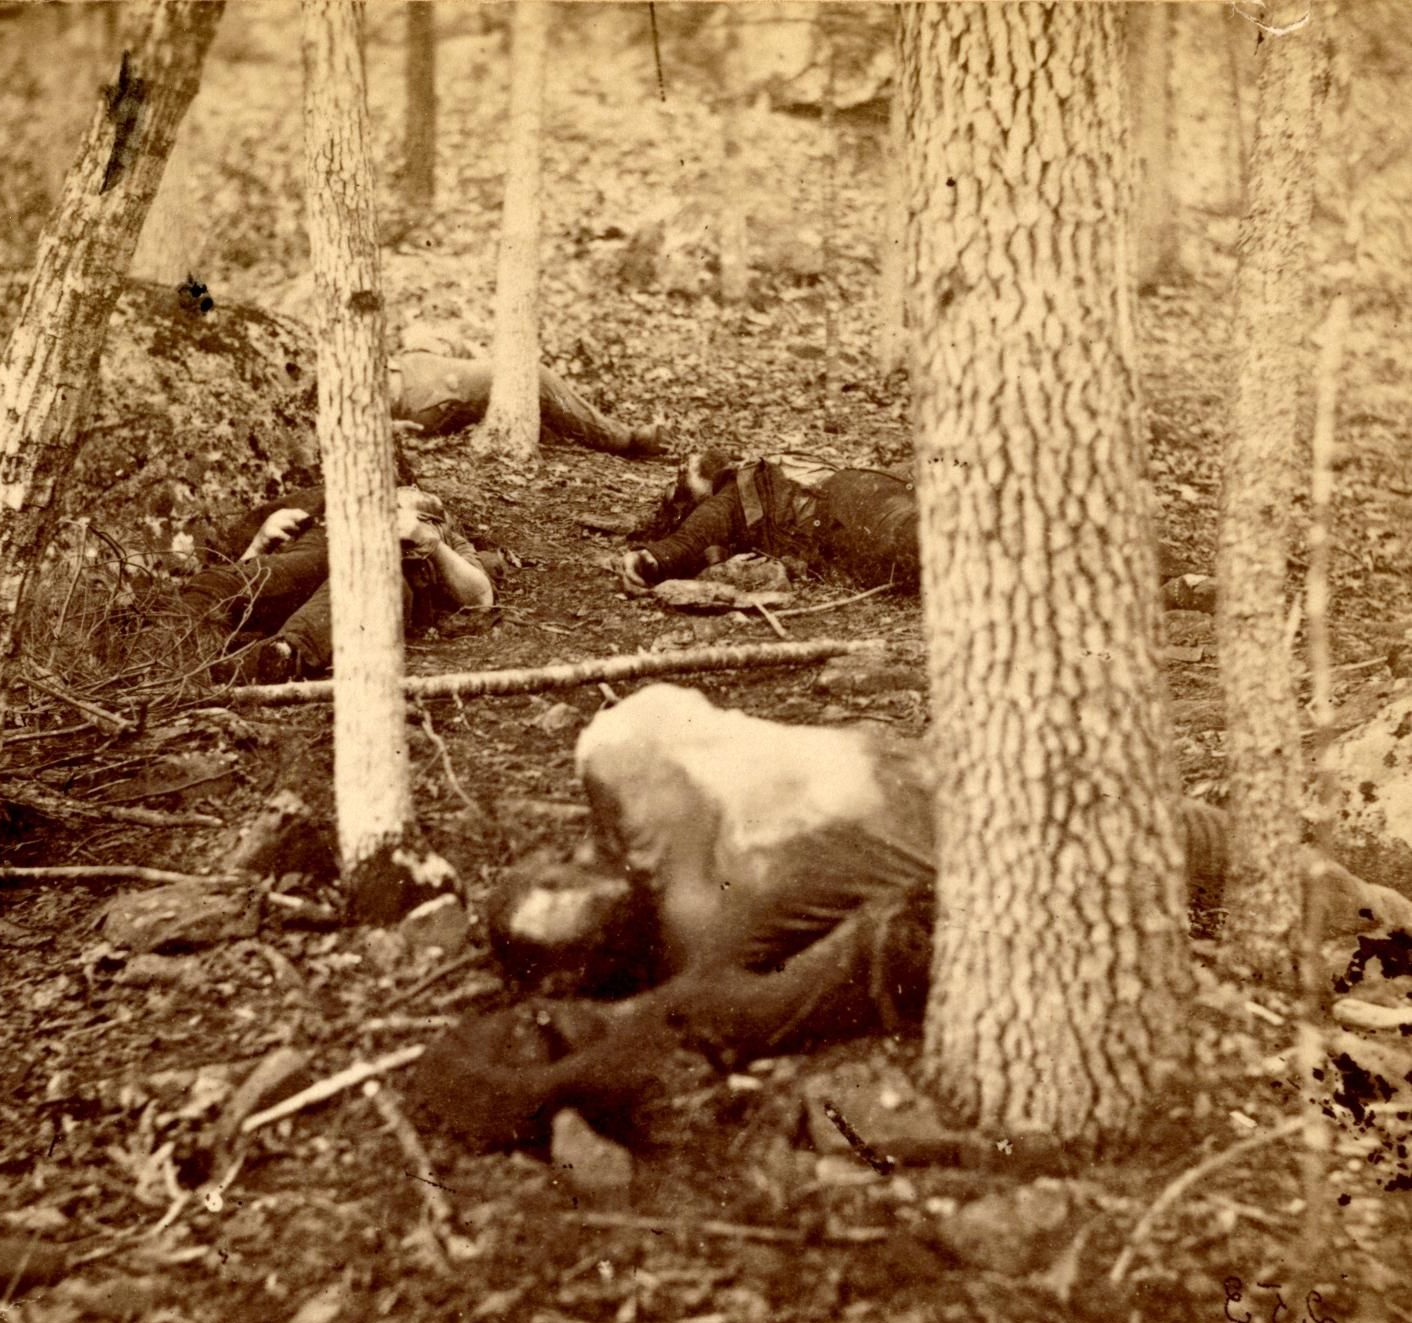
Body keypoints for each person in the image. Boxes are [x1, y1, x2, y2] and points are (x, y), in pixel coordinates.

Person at [424, 684, 1412, 1147]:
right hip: (1046, 813)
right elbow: (718, 1005)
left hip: (1044, 821)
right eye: (559, 864)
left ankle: (1367, 907)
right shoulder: (628, 759)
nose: (562, 848)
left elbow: (717, 1007)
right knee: (1294, 885)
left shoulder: (696, 914)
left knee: (1274, 876)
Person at [180, 483, 494, 682]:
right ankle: (169, 638)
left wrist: (427, 541)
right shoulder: (324, 520)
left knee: (374, 582)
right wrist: (259, 544)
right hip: (311, 561)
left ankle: (268, 659)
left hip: (361, 585)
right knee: (224, 586)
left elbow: (480, 597)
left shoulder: (441, 541)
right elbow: (267, 574)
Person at [619, 449, 920, 594]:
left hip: (845, 510)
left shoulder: (732, 493)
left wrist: (652, 558)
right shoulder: (770, 468)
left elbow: (692, 536)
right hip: (865, 487)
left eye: (684, 480)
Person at [390, 349, 668, 458]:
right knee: (530, 377)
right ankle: (624, 440)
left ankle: (573, 428)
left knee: (517, 379)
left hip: (414, 371)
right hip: (418, 395)